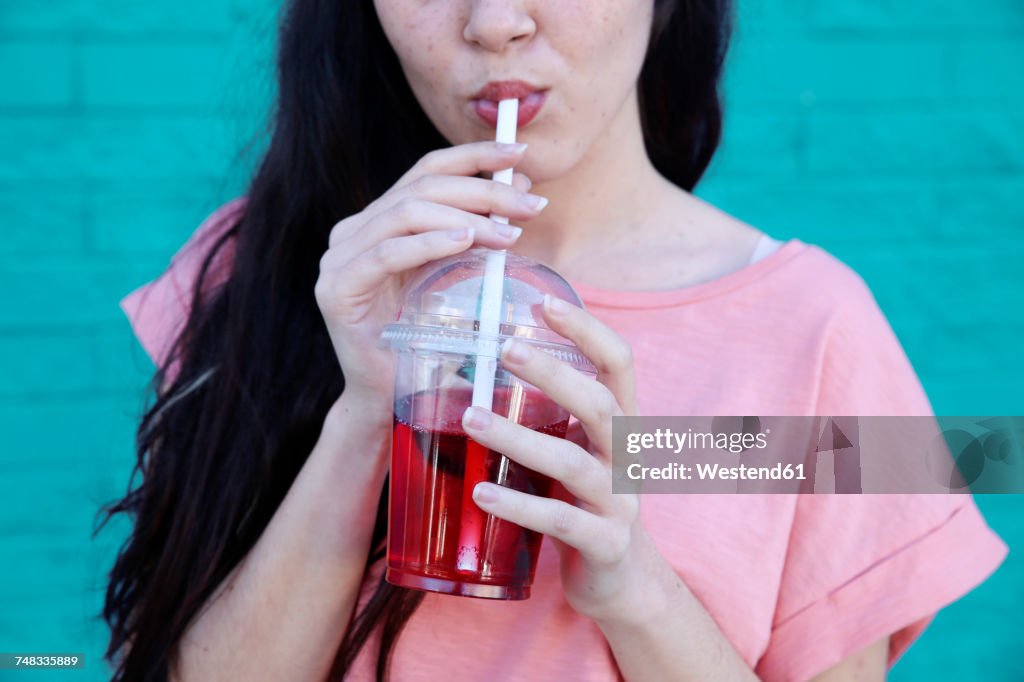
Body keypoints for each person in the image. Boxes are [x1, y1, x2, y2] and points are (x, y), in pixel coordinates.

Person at [99, 1, 1008, 680]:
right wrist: (369, 413)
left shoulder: (817, 333)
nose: (494, 23)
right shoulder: (273, 274)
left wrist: (632, 588)